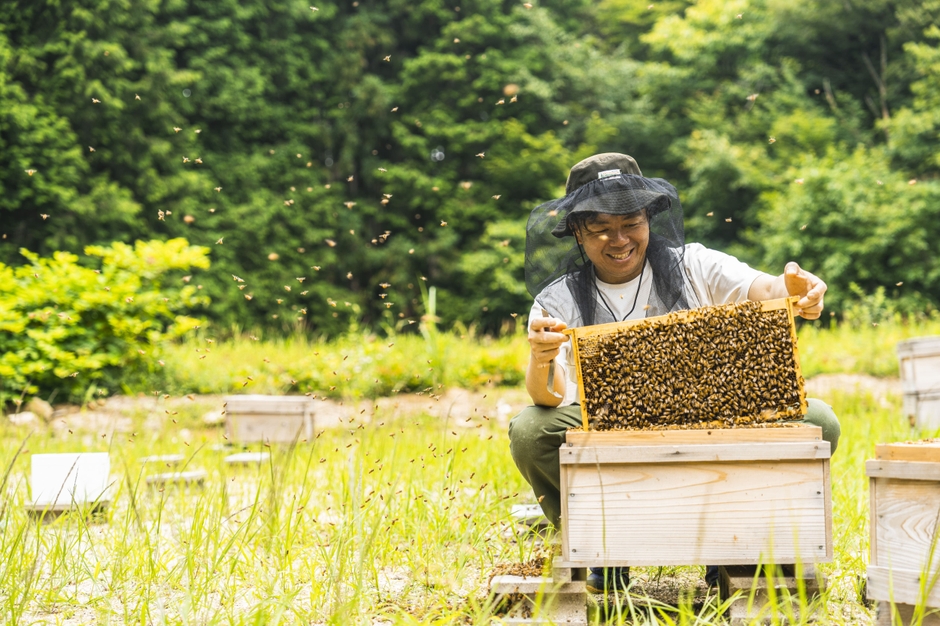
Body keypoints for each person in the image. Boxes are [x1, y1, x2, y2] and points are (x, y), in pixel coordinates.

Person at [508, 153, 841, 594]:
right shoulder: (557, 300)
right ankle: (602, 546)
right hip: (610, 438)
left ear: (648, 217)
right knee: (530, 431)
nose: (619, 238)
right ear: (576, 231)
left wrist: (796, 288)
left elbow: (765, 289)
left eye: (630, 222)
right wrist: (541, 357)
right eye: (600, 228)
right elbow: (548, 401)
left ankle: (741, 544)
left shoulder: (696, 264)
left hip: (709, 424)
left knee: (817, 422)